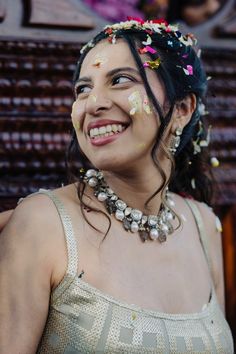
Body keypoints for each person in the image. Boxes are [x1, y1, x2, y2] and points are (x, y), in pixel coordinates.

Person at [0, 18, 234, 353]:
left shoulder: (203, 226)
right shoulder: (43, 224)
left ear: (182, 109)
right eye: (83, 89)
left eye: (120, 80)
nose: (93, 104)